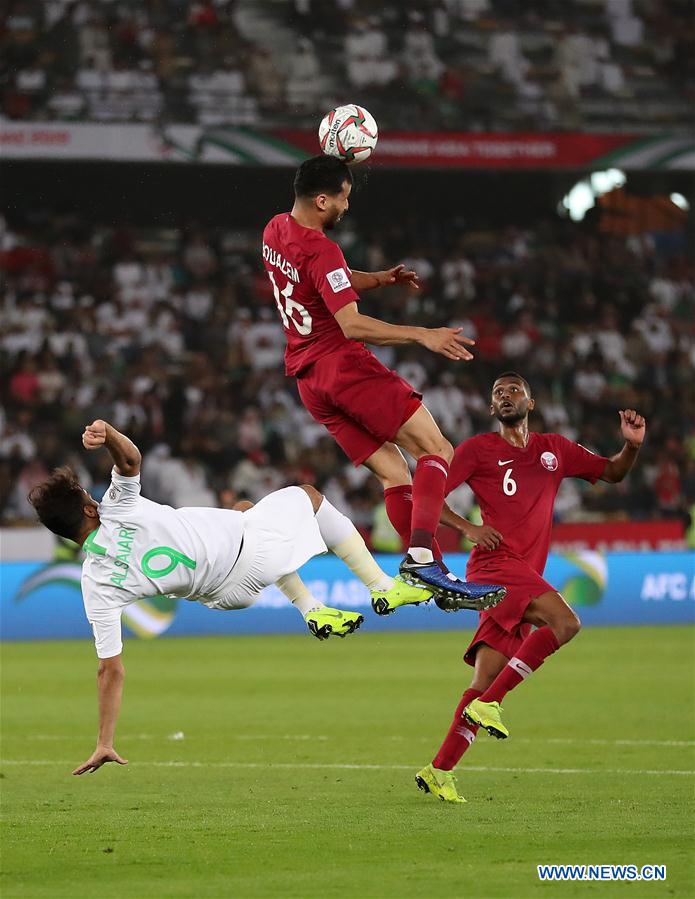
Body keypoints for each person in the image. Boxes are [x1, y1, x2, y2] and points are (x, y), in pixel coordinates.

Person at [28, 420, 439, 775]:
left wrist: (105, 740)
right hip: (250, 555)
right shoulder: (117, 508)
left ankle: (312, 609)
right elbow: (131, 460)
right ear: (90, 512)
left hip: (225, 596)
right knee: (310, 497)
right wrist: (108, 431)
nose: (97, 499)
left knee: (245, 509)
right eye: (90, 498)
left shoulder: (94, 583)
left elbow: (109, 671)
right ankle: (381, 586)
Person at [261, 154, 504, 610]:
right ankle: (421, 560)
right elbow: (350, 324)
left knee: (396, 473)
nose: (346, 207)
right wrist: (422, 334)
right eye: (343, 198)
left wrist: (377, 279)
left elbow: (324, 280)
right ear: (321, 199)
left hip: (309, 380)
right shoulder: (323, 248)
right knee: (437, 450)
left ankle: (429, 573)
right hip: (343, 365)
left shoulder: (275, 229)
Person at [415, 372, 646, 803]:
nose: (505, 396)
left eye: (513, 390)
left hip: (520, 570)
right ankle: (490, 706)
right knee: (566, 622)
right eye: (497, 392)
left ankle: (439, 770)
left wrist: (631, 446)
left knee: (483, 679)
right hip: (495, 564)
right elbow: (425, 494)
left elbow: (613, 473)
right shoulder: (478, 450)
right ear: (491, 408)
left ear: (531, 402)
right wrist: (467, 527)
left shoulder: (553, 451)